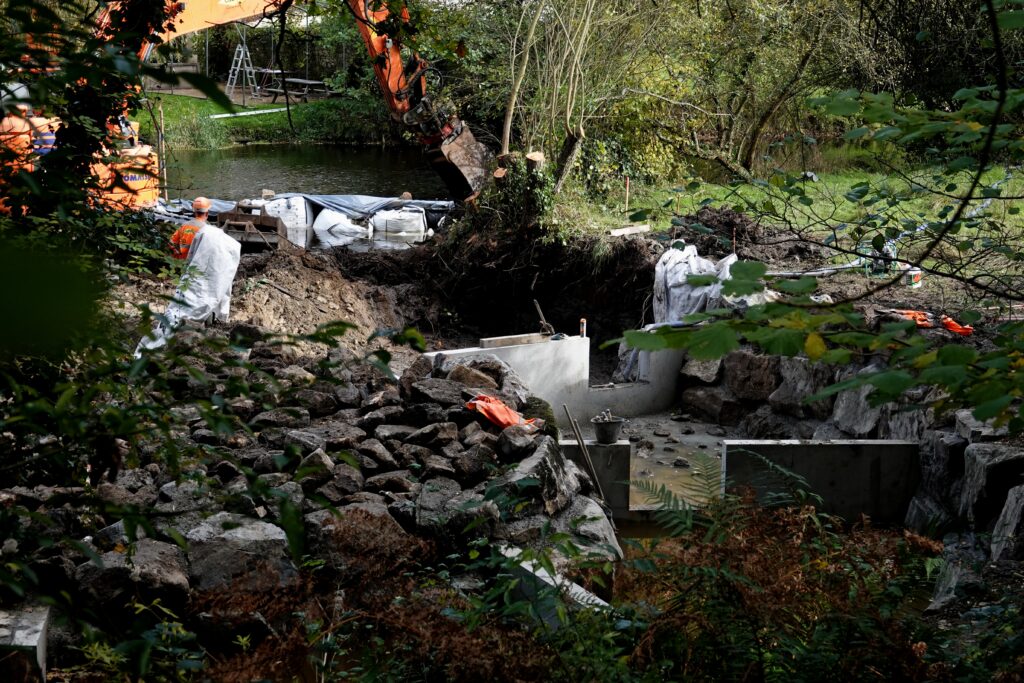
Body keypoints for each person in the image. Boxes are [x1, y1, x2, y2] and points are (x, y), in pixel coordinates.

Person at [136, 213, 242, 356]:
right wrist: (222, 316)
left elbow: (174, 245)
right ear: (206, 213)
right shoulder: (218, 240)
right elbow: (223, 287)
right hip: (200, 263)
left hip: (192, 262)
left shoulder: (191, 228)